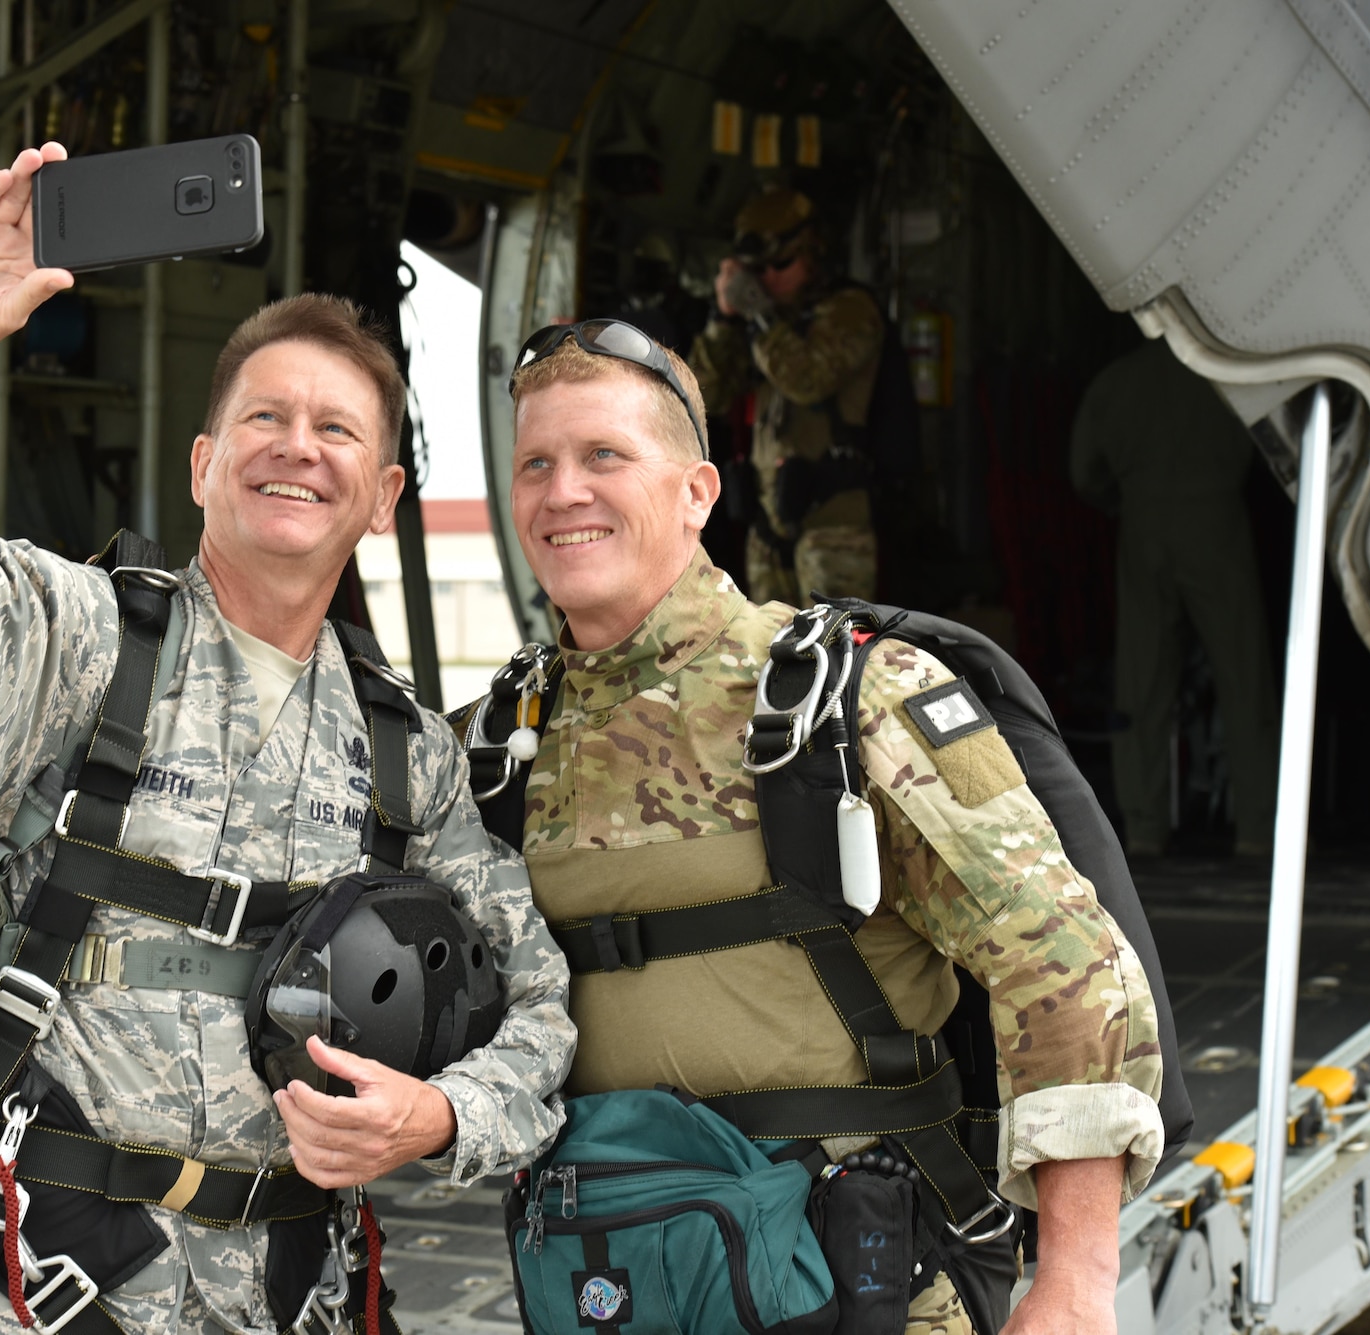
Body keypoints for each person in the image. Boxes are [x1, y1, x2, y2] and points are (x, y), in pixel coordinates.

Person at [0, 142, 574, 1334]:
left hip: (281, 1293)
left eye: (335, 430)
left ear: (381, 499)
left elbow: (539, 1005)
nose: (296, 445)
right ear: (205, 466)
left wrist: (445, 1120)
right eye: (263, 416)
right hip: (43, 1282)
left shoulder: (407, 757)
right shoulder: (78, 640)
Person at [497, 321, 1164, 1335]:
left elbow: (1063, 960)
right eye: (534, 464)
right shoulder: (501, 744)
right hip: (613, 1278)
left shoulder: (846, 700)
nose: (562, 493)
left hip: (858, 1282)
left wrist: (1074, 1280)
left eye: (603, 456)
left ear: (697, 493)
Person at [1070, 338, 1281, 859]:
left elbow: (1083, 472)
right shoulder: (1230, 374)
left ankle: (1144, 825)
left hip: (1144, 525)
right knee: (1243, 677)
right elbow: (1275, 453)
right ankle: (1258, 828)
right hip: (1217, 522)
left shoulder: (1118, 380)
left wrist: (1127, 501)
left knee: (1142, 684)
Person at [689, 184, 885, 606]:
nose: (770, 279)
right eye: (758, 271)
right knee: (772, 659)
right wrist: (724, 321)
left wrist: (758, 314)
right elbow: (701, 398)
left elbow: (807, 378)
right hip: (769, 524)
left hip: (833, 524)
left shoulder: (849, 310)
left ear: (813, 255)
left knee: (835, 660)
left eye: (781, 264)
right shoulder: (766, 327)